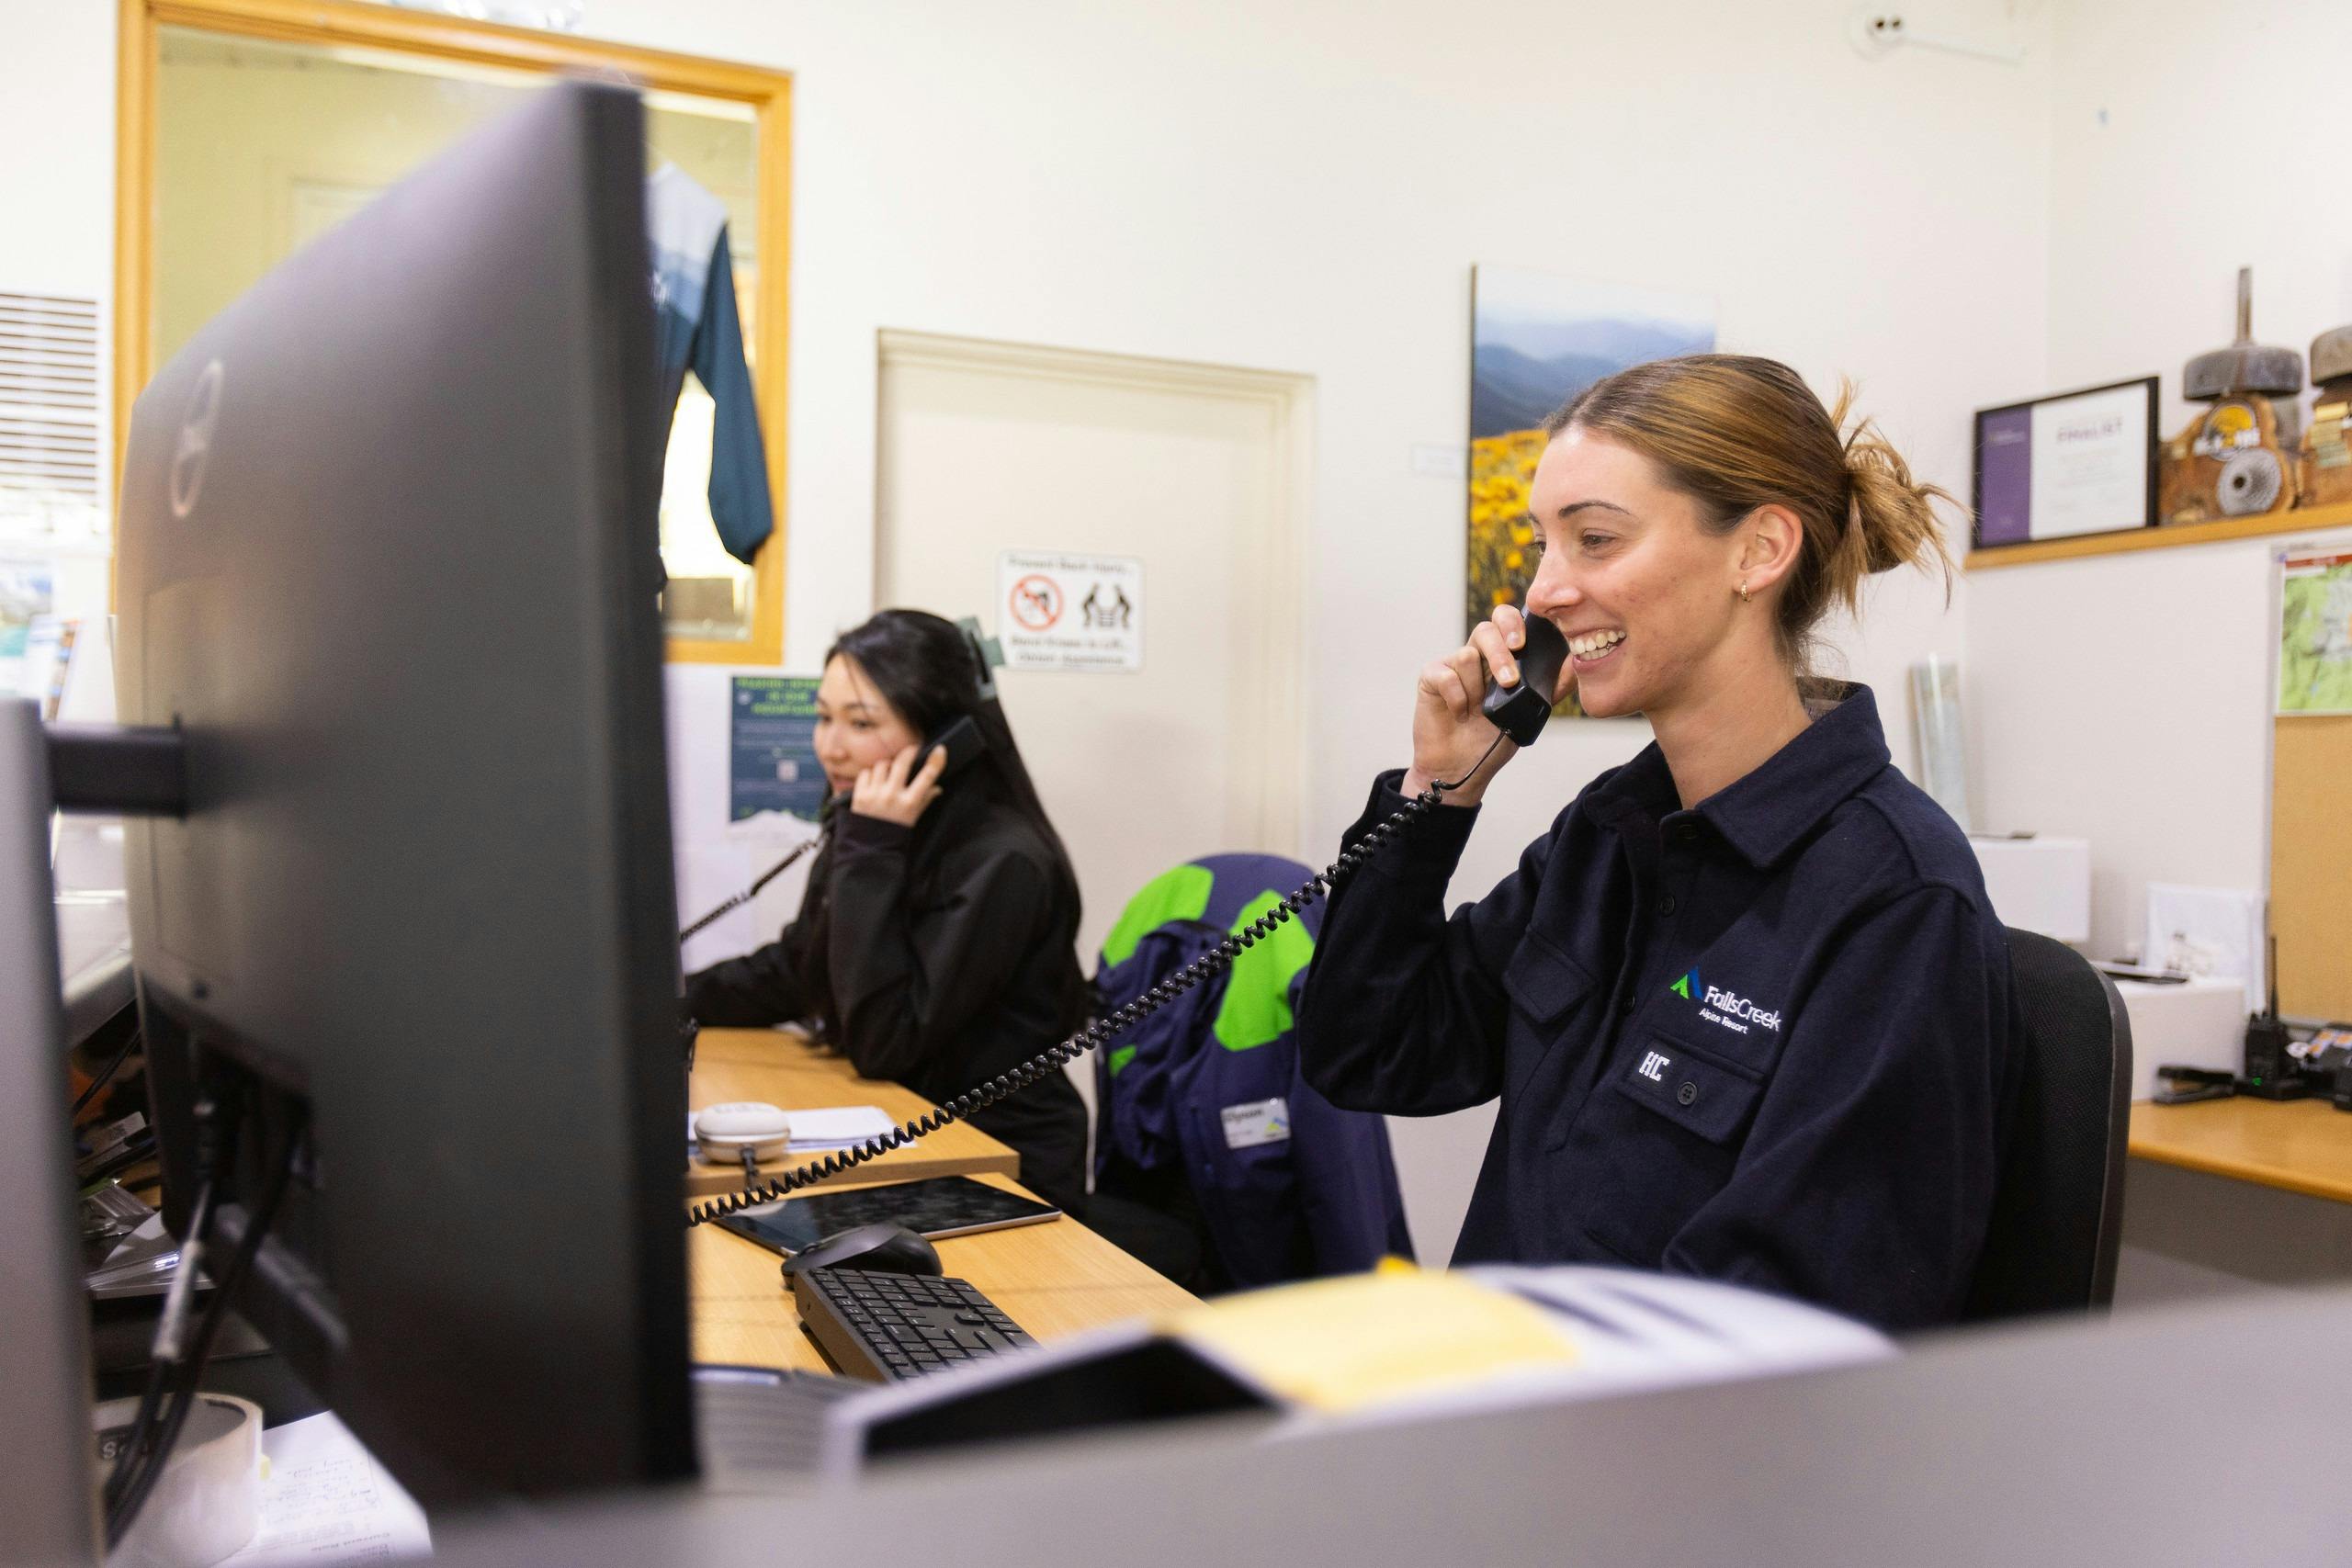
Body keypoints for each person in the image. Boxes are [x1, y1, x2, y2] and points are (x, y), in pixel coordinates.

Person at [1295, 355, 2018, 1331]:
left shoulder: (1894, 899)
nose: (1545, 592)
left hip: (1656, 1461)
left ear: (1758, 551)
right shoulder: (1610, 838)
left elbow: (1792, 1330)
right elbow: (1371, 1055)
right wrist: (1434, 795)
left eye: (1594, 540)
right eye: (1541, 545)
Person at [685, 609, 1090, 1213]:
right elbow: (804, 966)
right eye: (823, 717)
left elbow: (887, 1039)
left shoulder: (1004, 862)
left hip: (999, 1167)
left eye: (861, 722)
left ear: (944, 738)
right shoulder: (877, 823)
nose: (830, 746)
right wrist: (660, 1003)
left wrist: (872, 845)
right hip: (910, 1140)